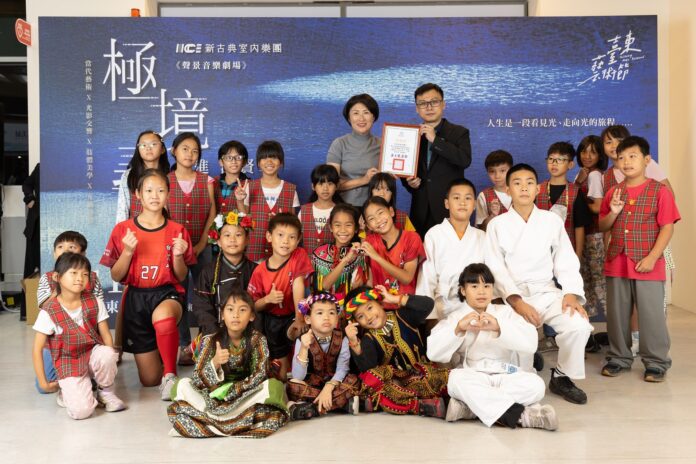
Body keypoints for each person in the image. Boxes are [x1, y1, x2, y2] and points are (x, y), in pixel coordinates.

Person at [484, 163, 593, 404]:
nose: (524, 188)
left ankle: (561, 376)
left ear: (538, 189)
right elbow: (495, 268)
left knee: (578, 325)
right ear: (508, 190)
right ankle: (527, 363)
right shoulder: (497, 225)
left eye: (529, 183)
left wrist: (571, 293)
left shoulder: (551, 221)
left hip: (546, 292)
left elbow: (565, 259)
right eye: (517, 183)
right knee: (519, 368)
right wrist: (516, 301)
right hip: (513, 297)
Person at [100, 169, 196, 400]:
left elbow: (181, 275)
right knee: (149, 379)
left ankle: (170, 375)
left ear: (168, 195)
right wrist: (127, 252)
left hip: (166, 294)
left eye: (161, 190)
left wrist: (178, 256)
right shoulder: (122, 230)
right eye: (149, 190)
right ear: (138, 195)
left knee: (163, 320)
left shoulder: (177, 231)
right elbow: (116, 275)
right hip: (136, 300)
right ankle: (165, 354)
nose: (155, 195)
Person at [428, 264, 557, 430]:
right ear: (463, 290)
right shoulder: (456, 317)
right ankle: (523, 416)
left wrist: (498, 327)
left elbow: (531, 343)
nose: (481, 292)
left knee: (536, 385)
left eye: (487, 286)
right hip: (473, 375)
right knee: (455, 380)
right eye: (474, 286)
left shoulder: (506, 313)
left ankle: (470, 408)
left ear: (492, 289)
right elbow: (433, 353)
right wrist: (458, 329)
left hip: (507, 375)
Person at [598, 136, 680, 382]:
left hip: (648, 263)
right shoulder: (613, 192)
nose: (626, 162)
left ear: (647, 160)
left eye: (632, 156)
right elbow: (603, 225)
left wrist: (653, 257)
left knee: (651, 315)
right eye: (621, 157)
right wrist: (613, 213)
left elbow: (667, 227)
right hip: (617, 261)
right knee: (617, 314)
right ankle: (619, 357)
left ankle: (656, 362)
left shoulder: (660, 191)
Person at [167, 289, 288, 438]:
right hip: (214, 399)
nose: (235, 315)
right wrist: (215, 363)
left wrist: (234, 391)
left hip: (245, 396)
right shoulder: (210, 340)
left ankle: (211, 422)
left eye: (242, 310)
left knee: (274, 387)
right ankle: (236, 422)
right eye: (230, 309)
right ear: (222, 315)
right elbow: (197, 379)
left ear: (251, 316)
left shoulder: (257, 340)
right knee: (180, 386)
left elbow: (260, 374)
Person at [32, 253, 126, 419]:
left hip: (91, 354)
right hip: (68, 362)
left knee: (107, 353)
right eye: (73, 273)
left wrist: (109, 360)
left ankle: (105, 392)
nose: (79, 278)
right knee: (82, 412)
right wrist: (43, 383)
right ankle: (68, 391)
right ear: (57, 277)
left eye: (84, 274)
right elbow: (37, 349)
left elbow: (106, 336)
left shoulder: (95, 301)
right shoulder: (49, 311)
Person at [344, 285, 448, 417]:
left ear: (380, 303)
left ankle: (382, 403)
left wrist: (395, 299)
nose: (368, 317)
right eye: (360, 316)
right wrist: (354, 342)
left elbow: (428, 305)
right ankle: (422, 406)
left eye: (370, 308)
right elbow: (368, 368)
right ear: (356, 322)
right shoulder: (368, 339)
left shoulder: (403, 316)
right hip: (396, 386)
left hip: (424, 376)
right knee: (373, 379)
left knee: (447, 378)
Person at [35, 231, 107, 393]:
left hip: (87, 343)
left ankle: (88, 374)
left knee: (101, 363)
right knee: (44, 386)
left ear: (83, 254)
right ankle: (72, 380)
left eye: (72, 247)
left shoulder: (92, 278)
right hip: (56, 345)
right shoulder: (48, 278)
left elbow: (98, 314)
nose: (65, 250)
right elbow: (44, 308)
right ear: (54, 253)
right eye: (60, 247)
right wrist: (61, 286)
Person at [167, 132, 217, 365]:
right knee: (177, 295)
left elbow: (212, 213)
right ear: (174, 151)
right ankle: (184, 346)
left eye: (195, 150)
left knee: (205, 295)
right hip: (173, 249)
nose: (190, 154)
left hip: (201, 246)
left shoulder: (207, 181)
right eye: (185, 149)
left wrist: (201, 244)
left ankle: (206, 343)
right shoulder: (165, 181)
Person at [247, 213, 313, 380]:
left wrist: (299, 318)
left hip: (294, 315)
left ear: (298, 240)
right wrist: (268, 299)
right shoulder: (259, 271)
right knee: (281, 376)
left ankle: (302, 373)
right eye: (281, 235)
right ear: (269, 236)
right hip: (272, 321)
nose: (286, 241)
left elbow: (298, 284)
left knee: (301, 334)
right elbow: (252, 306)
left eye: (292, 237)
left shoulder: (298, 255)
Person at [402, 83, 472, 238]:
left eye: (434, 101)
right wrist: (409, 183)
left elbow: (464, 160)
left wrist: (435, 140)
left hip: (448, 209)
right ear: (417, 108)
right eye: (423, 103)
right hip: (420, 210)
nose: (429, 107)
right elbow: (406, 171)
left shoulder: (459, 132)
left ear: (443, 104)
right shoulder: (411, 136)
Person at [417, 178, 485, 320]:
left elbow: (489, 277)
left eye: (468, 198)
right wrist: (430, 317)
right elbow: (426, 278)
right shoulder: (434, 234)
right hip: (442, 306)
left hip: (476, 304)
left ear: (474, 205)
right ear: (447, 203)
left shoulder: (482, 236)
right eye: (456, 198)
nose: (462, 203)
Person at [287, 292, 360, 419]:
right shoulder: (302, 339)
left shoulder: (342, 338)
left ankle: (310, 408)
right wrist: (304, 348)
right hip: (312, 384)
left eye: (331, 313)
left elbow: (342, 368)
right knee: (293, 385)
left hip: (335, 383)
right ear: (308, 319)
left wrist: (329, 386)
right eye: (320, 313)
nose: (326, 317)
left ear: (337, 318)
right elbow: (298, 376)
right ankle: (341, 404)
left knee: (354, 380)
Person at [193, 211, 256, 337]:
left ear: (247, 240)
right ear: (218, 241)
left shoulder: (256, 270)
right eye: (227, 235)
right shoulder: (208, 272)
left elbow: (258, 308)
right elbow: (202, 307)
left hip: (248, 334)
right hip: (215, 332)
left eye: (238, 235)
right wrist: (215, 334)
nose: (232, 239)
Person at [361, 196, 425, 302]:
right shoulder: (369, 242)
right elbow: (369, 281)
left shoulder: (411, 238)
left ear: (391, 211)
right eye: (371, 218)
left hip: (405, 303)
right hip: (380, 305)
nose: (378, 220)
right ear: (368, 226)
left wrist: (376, 257)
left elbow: (407, 278)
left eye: (380, 213)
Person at [246, 140, 301, 262]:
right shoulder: (249, 187)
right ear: (258, 163)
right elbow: (243, 218)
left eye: (274, 157)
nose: (269, 161)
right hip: (254, 252)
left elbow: (292, 224)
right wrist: (240, 200)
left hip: (281, 255)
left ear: (281, 162)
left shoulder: (290, 189)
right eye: (264, 158)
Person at [536, 141, 592, 259]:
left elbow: (579, 227)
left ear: (570, 164)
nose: (554, 163)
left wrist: (577, 257)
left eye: (560, 160)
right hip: (540, 252)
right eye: (551, 159)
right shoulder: (537, 190)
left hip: (566, 253)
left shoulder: (575, 192)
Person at [574, 135, 608, 321]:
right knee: (588, 277)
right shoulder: (585, 173)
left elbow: (597, 207)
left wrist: (580, 200)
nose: (587, 156)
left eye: (593, 152)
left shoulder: (594, 175)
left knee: (597, 278)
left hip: (594, 234)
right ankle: (593, 319)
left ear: (600, 155)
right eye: (584, 151)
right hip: (586, 233)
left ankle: (608, 320)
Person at [326, 93, 381, 209]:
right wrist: (364, 180)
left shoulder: (383, 144)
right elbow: (331, 184)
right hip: (344, 208)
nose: (361, 118)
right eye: (356, 113)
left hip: (375, 208)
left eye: (366, 112)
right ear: (349, 118)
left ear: (373, 117)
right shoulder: (339, 144)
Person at [310, 203, 368, 296]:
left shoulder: (359, 255)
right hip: (325, 303)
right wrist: (345, 260)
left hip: (351, 304)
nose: (343, 230)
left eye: (348, 225)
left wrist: (362, 233)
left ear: (356, 228)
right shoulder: (320, 254)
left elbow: (363, 285)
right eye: (337, 225)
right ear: (331, 227)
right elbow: (324, 286)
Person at [116, 130, 170, 223]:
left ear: (162, 149)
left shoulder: (170, 175)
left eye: (153, 144)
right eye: (143, 145)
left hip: (164, 228)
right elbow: (122, 209)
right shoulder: (129, 175)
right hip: (134, 229)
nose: (148, 148)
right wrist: (121, 230)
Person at [299, 164, 342, 255]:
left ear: (337, 186)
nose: (325, 188)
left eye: (330, 184)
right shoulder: (304, 211)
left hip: (332, 262)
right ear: (313, 186)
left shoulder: (341, 212)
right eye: (320, 184)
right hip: (306, 262)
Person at [475, 150, 513, 231]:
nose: (497, 176)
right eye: (492, 171)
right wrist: (492, 215)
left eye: (502, 171)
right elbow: (481, 229)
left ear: (511, 170)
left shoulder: (521, 192)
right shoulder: (483, 196)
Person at [214, 140, 249, 216]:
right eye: (229, 157)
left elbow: (248, 217)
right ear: (221, 162)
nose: (233, 161)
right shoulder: (212, 183)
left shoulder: (251, 185)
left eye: (238, 157)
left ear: (244, 162)